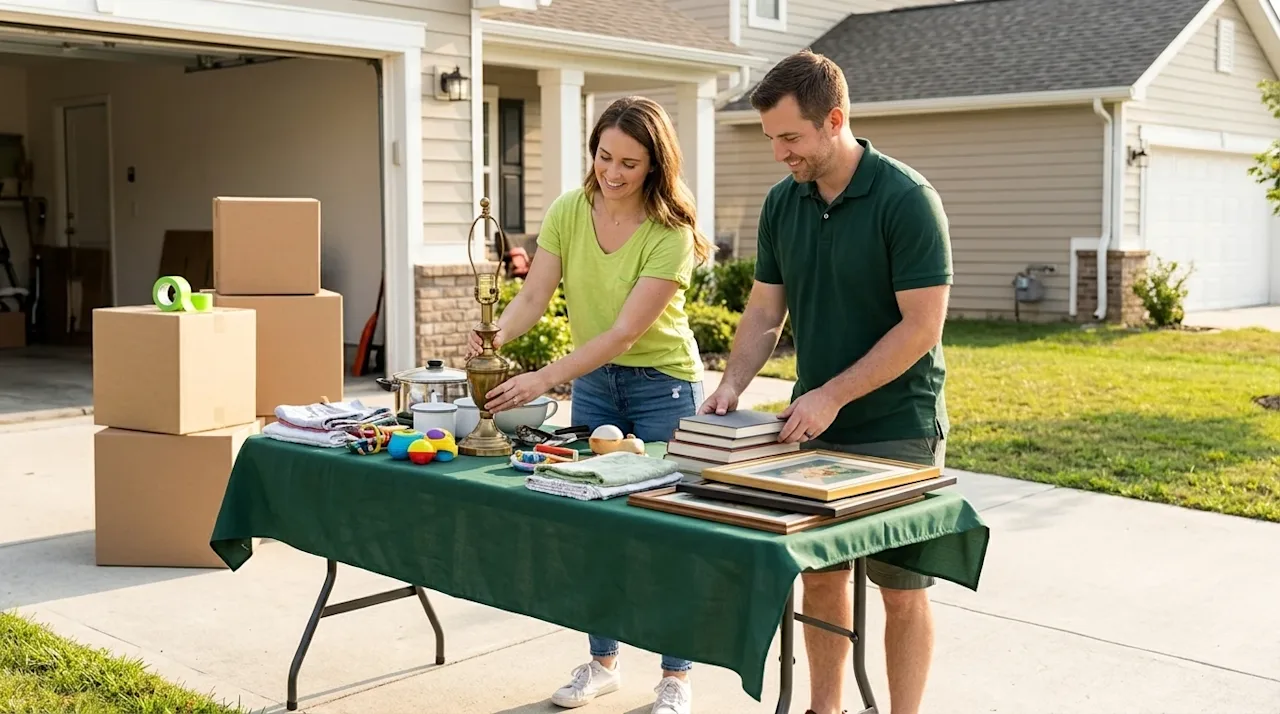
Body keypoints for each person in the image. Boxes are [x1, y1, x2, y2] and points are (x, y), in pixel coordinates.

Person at [699, 49, 952, 714]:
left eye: (790, 137)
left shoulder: (907, 200)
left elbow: (921, 327)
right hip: (813, 425)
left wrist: (833, 393)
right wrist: (732, 384)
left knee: (902, 588)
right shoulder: (784, 204)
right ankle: (824, 709)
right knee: (822, 575)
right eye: (771, 139)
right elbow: (764, 309)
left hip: (899, 425)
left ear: (834, 120)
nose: (779, 152)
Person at [465, 95, 714, 714]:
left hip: (664, 387)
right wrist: (495, 335)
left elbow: (624, 332)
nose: (613, 171)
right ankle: (602, 663)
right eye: (604, 156)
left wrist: (543, 379)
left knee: (665, 532)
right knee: (596, 526)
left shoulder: (670, 230)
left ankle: (676, 676)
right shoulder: (569, 211)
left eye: (630, 162)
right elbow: (534, 296)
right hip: (600, 386)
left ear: (656, 166)